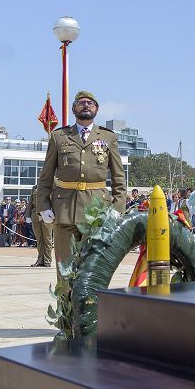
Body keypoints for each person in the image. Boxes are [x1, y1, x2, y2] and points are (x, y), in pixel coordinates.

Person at [37, 91, 127, 271]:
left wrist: (117, 209)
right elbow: (46, 176)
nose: (86, 105)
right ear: (73, 108)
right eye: (81, 103)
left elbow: (118, 178)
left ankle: (90, 301)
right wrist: (43, 206)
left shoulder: (109, 137)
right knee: (65, 269)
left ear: (97, 109)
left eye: (90, 103)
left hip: (97, 211)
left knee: (92, 269)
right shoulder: (59, 137)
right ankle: (65, 300)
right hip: (65, 211)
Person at [28, 184, 53, 267]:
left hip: (46, 214)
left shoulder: (51, 186)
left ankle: (47, 260)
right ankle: (40, 260)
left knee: (47, 239)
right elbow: (31, 201)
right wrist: (27, 215)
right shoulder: (34, 187)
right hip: (35, 215)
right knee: (39, 239)